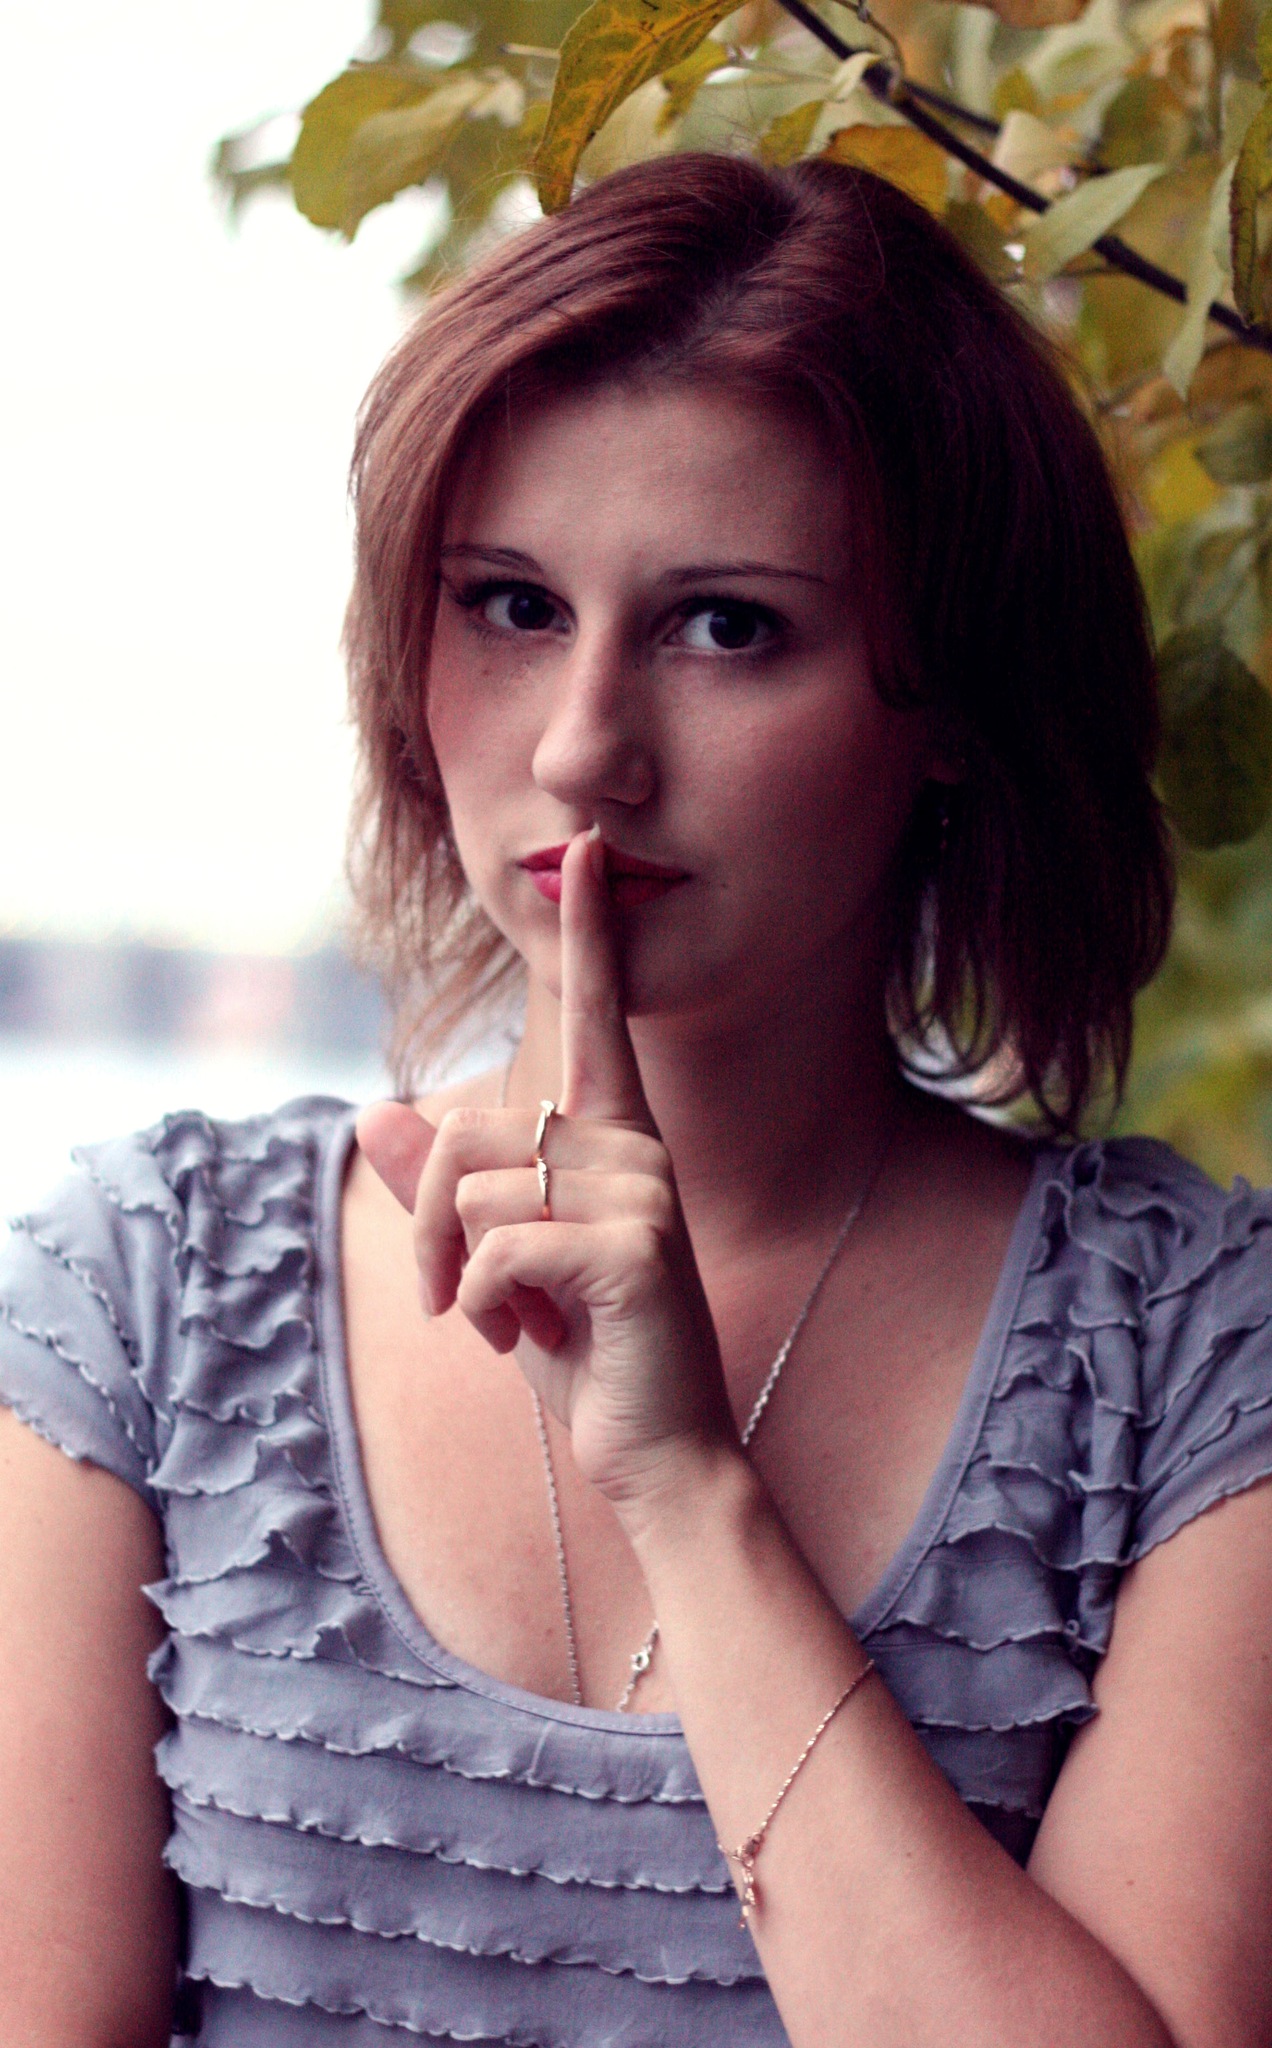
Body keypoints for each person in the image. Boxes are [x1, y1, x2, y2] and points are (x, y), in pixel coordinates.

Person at [1, 149, 1270, 2048]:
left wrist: (685, 1485)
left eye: (727, 626)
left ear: (953, 707)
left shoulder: (1193, 1355)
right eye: (511, 605)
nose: (586, 746)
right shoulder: (152, 1292)